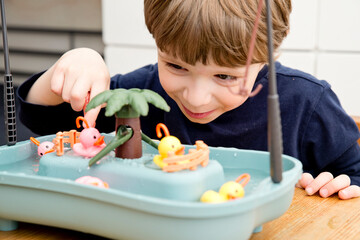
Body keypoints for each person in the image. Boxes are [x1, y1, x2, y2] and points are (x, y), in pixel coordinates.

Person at [17, 0, 360, 199]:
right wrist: (69, 67)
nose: (195, 98)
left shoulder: (308, 105)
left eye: (225, 76)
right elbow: (45, 120)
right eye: (176, 66)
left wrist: (342, 185)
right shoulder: (137, 97)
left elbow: (354, 175)